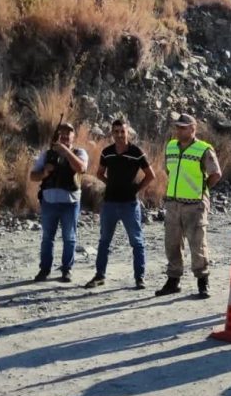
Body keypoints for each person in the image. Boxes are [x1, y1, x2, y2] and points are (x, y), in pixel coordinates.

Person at [155, 113, 222, 299]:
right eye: (177, 127)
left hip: (195, 204)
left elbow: (215, 174)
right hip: (173, 203)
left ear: (193, 129)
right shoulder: (170, 147)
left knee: (197, 243)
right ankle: (173, 281)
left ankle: (202, 281)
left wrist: (202, 190)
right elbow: (169, 169)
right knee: (172, 243)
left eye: (183, 127)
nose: (178, 130)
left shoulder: (203, 149)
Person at [87, 119, 155, 290]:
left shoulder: (136, 152)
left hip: (129, 205)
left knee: (136, 241)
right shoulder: (107, 152)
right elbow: (99, 173)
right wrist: (111, 184)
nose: (119, 135)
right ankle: (99, 276)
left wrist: (136, 188)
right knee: (104, 241)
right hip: (109, 203)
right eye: (116, 131)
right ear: (112, 133)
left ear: (128, 133)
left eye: (122, 131)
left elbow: (150, 175)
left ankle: (140, 278)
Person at [29, 122, 89, 282]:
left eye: (68, 133)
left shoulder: (79, 152)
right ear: (57, 136)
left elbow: (81, 168)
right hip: (49, 203)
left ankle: (66, 270)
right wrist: (44, 172)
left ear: (73, 137)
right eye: (62, 133)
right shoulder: (47, 154)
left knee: (69, 238)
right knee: (47, 238)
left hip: (70, 204)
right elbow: (32, 176)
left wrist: (66, 152)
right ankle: (44, 270)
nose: (65, 136)